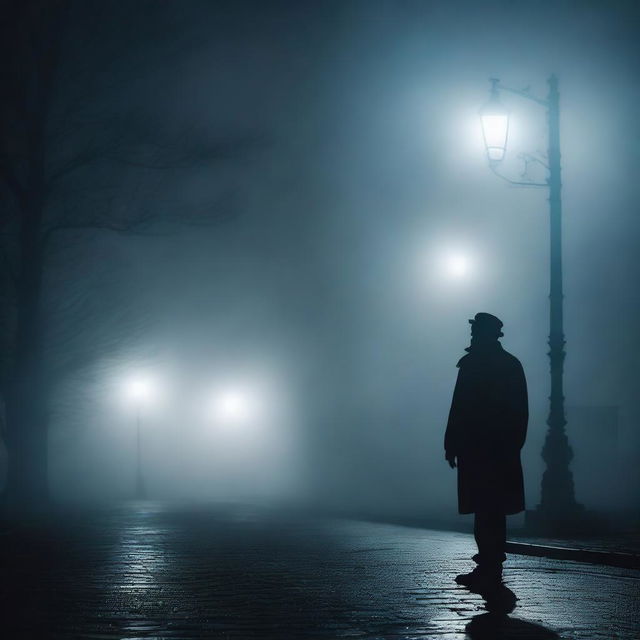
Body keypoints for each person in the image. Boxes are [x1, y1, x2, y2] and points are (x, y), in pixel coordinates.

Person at [445, 312, 528, 588]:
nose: (472, 335)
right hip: (491, 450)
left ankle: (489, 564)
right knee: (491, 509)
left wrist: (453, 443)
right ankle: (490, 563)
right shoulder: (508, 365)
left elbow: (459, 409)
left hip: (484, 449)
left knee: (487, 509)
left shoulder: (474, 365)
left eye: (476, 331)